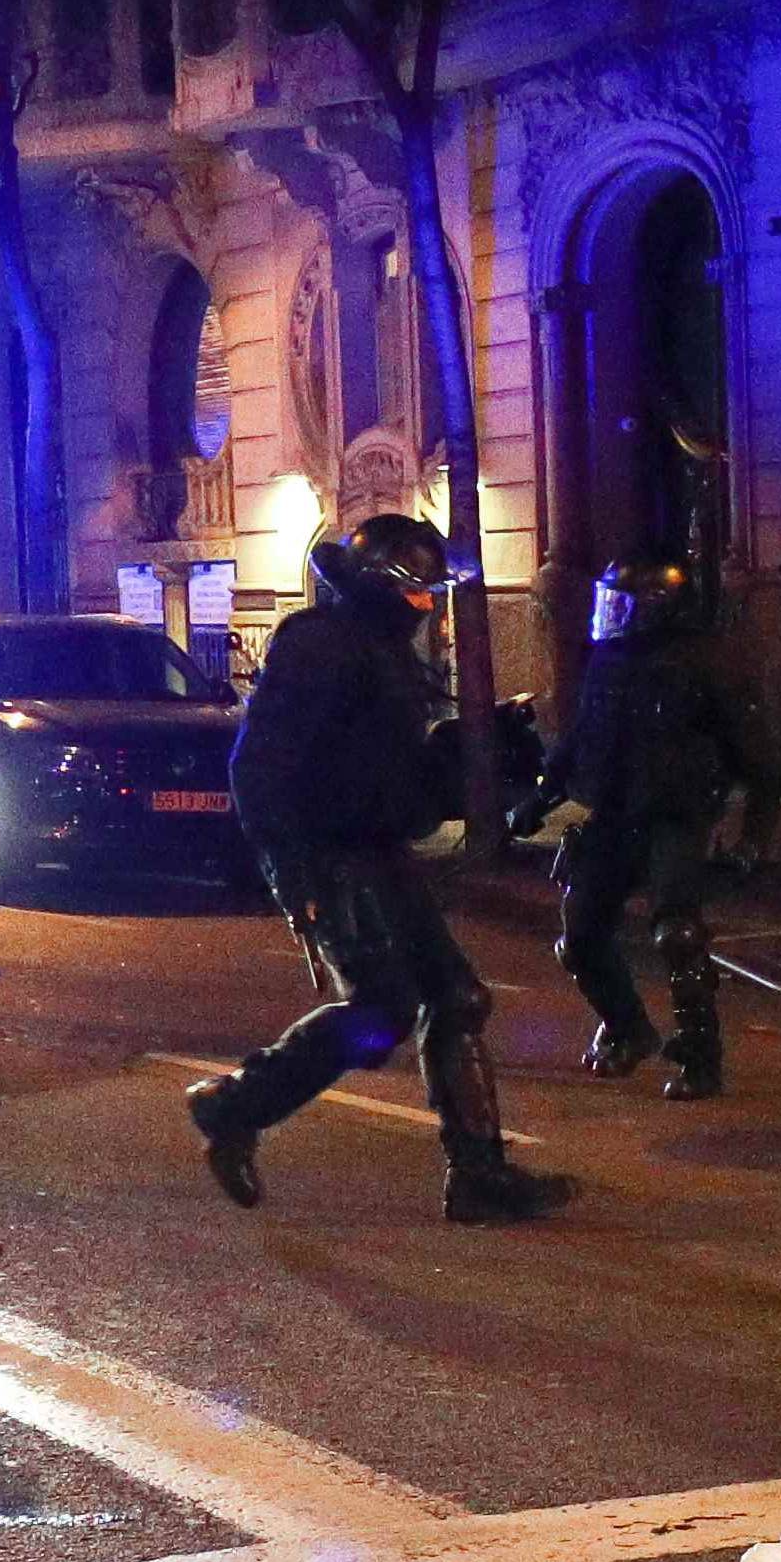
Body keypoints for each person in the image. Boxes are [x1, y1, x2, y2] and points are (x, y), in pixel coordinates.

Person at [187, 514, 577, 1226]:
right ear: (379, 582)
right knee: (380, 1010)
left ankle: (479, 1174)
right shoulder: (319, 644)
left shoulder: (384, 650)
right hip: (333, 856)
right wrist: (291, 873)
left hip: (383, 851)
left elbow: (388, 762)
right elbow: (260, 764)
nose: (426, 601)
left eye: (432, 589)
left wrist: (461, 760)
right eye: (416, 586)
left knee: (456, 998)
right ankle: (235, 1104)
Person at [510, 555, 780, 1100]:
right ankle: (627, 1027)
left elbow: (759, 763)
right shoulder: (608, 662)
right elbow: (580, 739)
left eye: (623, 604)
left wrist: (753, 838)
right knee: (580, 936)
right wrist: (537, 800)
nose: (611, 613)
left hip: (678, 815)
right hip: (614, 814)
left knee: (676, 933)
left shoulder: (707, 661)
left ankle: (701, 1057)